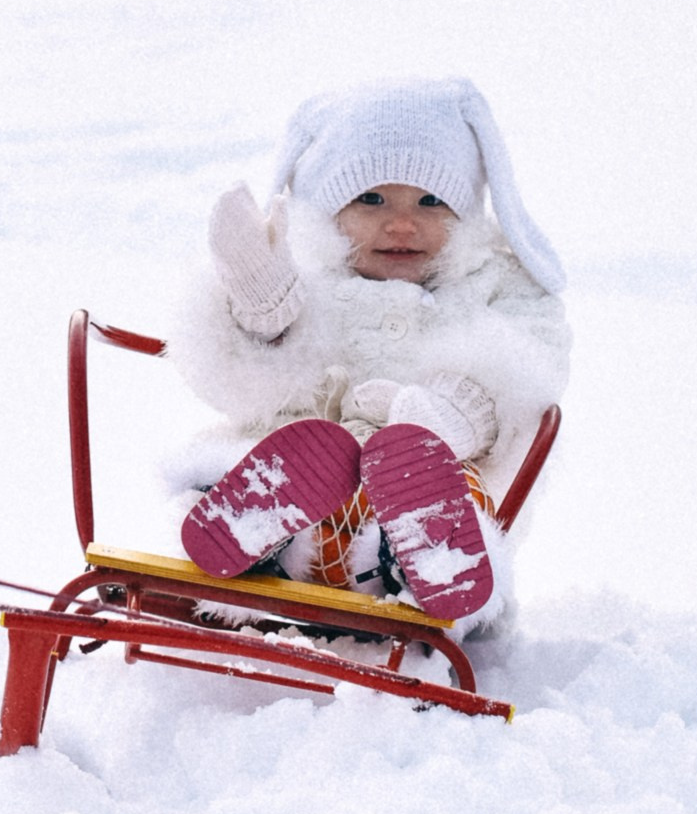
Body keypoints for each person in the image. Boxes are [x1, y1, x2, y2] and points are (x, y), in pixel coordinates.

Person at [169, 78, 568, 629]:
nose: (402, 223)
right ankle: (249, 528)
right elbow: (233, 385)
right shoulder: (302, 274)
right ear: (328, 208)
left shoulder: (494, 283)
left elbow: (530, 353)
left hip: (424, 483)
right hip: (301, 494)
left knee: (447, 489)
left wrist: (455, 412)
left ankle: (421, 563)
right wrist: (262, 316)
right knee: (242, 457)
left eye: (431, 201)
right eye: (372, 199)